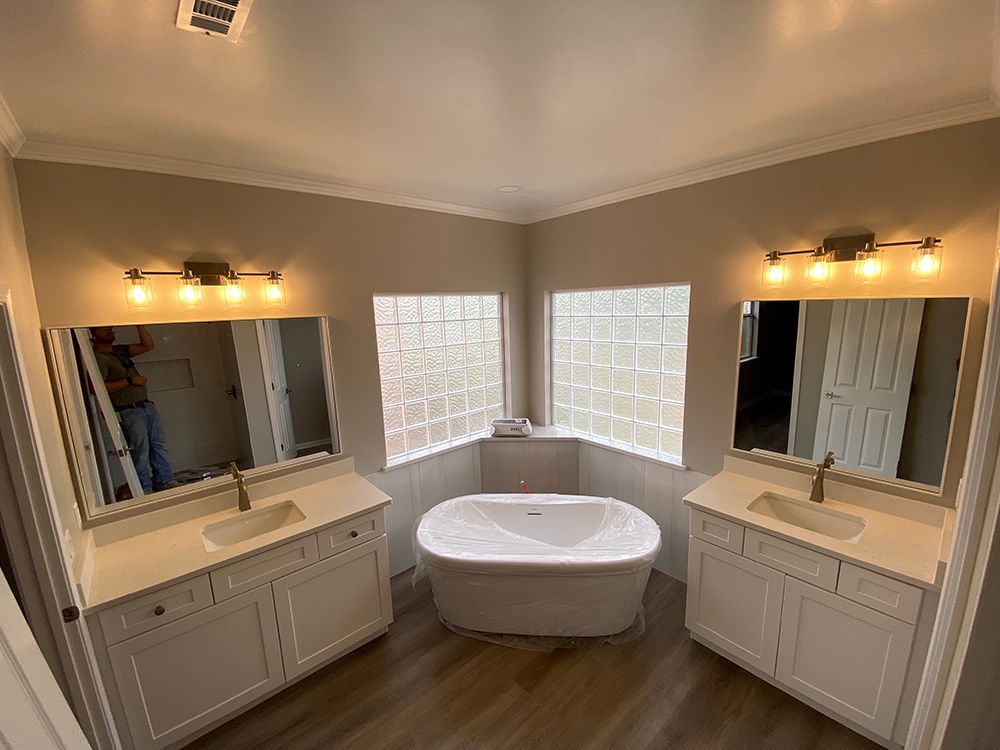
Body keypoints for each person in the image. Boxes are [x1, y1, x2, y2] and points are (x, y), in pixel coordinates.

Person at [90, 325, 175, 495]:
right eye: (103, 329)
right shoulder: (99, 358)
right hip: (128, 410)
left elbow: (148, 345)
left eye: (110, 328)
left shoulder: (118, 351)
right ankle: (143, 489)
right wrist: (130, 381)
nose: (109, 330)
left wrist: (138, 323)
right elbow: (98, 387)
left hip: (145, 405)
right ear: (93, 336)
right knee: (140, 450)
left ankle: (165, 482)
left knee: (158, 445)